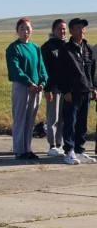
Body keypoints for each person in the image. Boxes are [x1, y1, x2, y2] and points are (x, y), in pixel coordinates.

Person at [54, 18, 97, 165]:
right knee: (70, 121)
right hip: (72, 92)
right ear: (72, 30)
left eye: (83, 28)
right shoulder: (66, 49)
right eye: (78, 28)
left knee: (82, 123)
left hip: (86, 90)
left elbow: (91, 70)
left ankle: (79, 150)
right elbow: (60, 73)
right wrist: (65, 90)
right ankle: (69, 151)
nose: (82, 30)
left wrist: (93, 87)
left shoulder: (87, 48)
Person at [5, 18, 47, 160]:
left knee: (30, 119)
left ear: (32, 30)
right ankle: (19, 150)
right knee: (20, 118)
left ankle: (27, 149)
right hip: (22, 86)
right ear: (17, 31)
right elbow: (15, 69)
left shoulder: (35, 48)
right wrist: (29, 83)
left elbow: (41, 68)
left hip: (36, 88)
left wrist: (42, 82)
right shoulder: (13, 48)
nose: (25, 31)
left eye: (28, 28)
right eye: (22, 28)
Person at [41, 19, 67, 157]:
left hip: (66, 88)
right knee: (53, 116)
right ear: (53, 30)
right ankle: (52, 145)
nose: (62, 32)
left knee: (63, 116)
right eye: (59, 29)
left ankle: (59, 143)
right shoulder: (48, 47)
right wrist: (47, 89)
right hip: (53, 87)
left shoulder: (68, 45)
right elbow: (45, 70)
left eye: (64, 29)